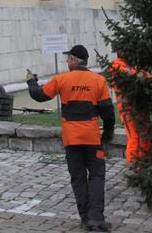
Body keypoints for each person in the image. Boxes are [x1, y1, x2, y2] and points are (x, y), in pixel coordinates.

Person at [27, 44, 115, 231]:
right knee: (97, 176)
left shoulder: (61, 79)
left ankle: (85, 218)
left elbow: (39, 96)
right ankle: (96, 218)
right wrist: (107, 134)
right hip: (92, 138)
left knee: (78, 178)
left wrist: (31, 81)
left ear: (75, 60)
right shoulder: (98, 80)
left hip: (71, 139)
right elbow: (108, 112)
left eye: (69, 59)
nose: (67, 61)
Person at [108, 54, 150, 163]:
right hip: (127, 108)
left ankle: (143, 164)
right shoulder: (116, 65)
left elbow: (145, 77)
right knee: (134, 137)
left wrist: (136, 73)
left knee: (144, 136)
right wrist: (137, 73)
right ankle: (132, 165)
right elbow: (130, 76)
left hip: (140, 105)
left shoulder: (133, 64)